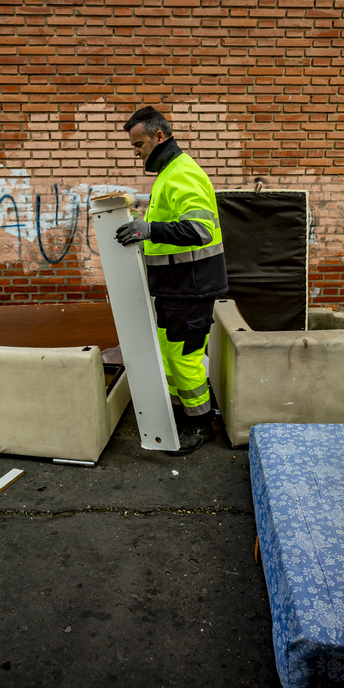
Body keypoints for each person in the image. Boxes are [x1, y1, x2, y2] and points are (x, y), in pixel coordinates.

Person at [115, 106, 227, 455]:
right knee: (171, 353)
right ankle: (182, 414)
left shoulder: (181, 173)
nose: (136, 151)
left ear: (159, 137)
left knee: (185, 357)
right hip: (176, 285)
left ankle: (199, 423)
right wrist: (143, 204)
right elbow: (172, 210)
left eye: (138, 144)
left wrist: (147, 228)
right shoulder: (169, 172)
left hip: (190, 286)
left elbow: (198, 228)